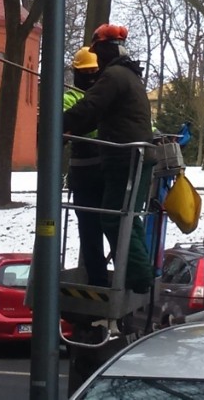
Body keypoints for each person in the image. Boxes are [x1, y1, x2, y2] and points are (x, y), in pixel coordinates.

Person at [63, 24, 155, 294]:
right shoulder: (128, 75)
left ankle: (138, 278)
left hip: (122, 157)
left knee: (114, 218)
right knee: (126, 217)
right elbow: (95, 112)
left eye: (97, 56)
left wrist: (57, 125)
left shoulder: (114, 76)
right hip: (134, 157)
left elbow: (90, 108)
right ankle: (139, 274)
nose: (96, 65)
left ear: (104, 50)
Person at [63, 47, 107, 287]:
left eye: (94, 72)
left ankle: (116, 273)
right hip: (83, 173)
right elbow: (67, 119)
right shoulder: (70, 97)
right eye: (85, 72)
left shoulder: (107, 94)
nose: (90, 77)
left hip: (105, 172)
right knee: (90, 231)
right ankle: (97, 278)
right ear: (76, 73)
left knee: (112, 225)